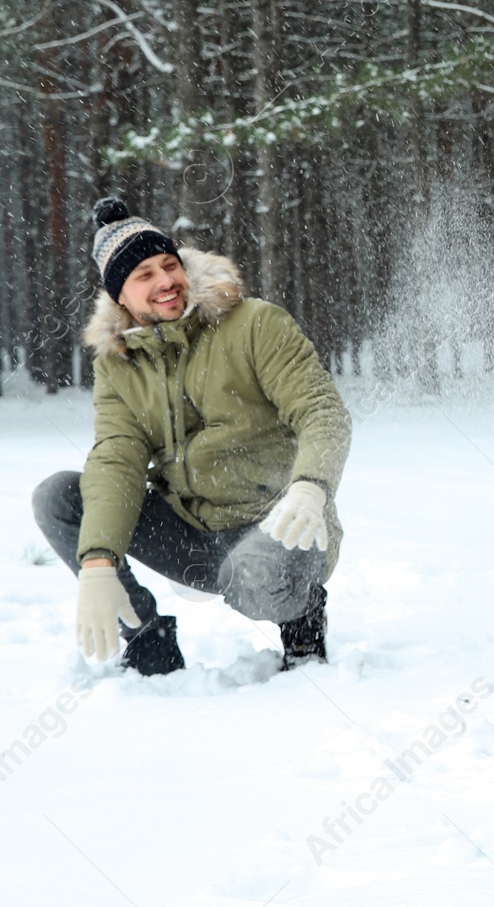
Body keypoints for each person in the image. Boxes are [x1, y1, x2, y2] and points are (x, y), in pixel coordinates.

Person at [33, 198, 352, 675]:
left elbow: (321, 410)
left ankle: (302, 620)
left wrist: (311, 486)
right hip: (192, 535)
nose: (165, 281)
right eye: (144, 275)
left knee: (258, 575)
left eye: (169, 264)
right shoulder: (118, 364)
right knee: (58, 496)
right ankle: (147, 641)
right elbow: (116, 461)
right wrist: (98, 561)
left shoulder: (255, 324)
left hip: (282, 524)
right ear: (120, 296)